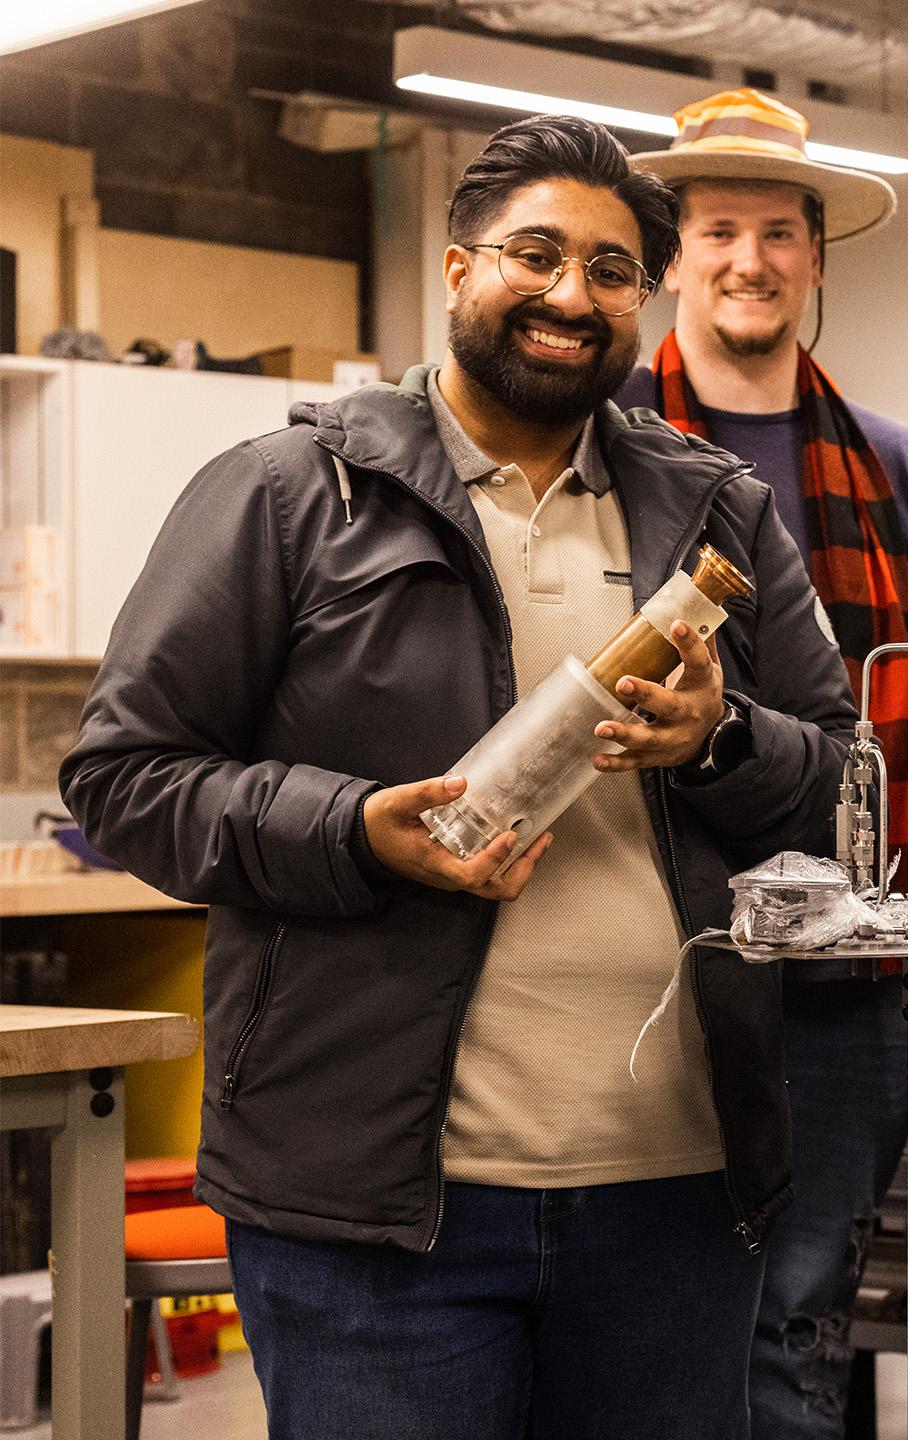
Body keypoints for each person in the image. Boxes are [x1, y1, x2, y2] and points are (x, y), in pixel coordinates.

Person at [61, 115, 857, 1439]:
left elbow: (838, 779)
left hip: (676, 1191)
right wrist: (357, 831)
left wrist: (722, 741)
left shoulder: (718, 512)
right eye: (533, 253)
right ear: (453, 267)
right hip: (377, 1211)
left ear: (641, 303)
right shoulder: (290, 492)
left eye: (612, 270)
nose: (569, 292)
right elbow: (127, 775)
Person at [618, 88, 908, 1439]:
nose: (749, 260)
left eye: (779, 231)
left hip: (847, 978)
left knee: (797, 1329)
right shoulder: (588, 450)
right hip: (635, 957)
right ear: (675, 250)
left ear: (818, 256)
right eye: (717, 229)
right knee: (636, 1312)